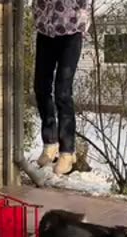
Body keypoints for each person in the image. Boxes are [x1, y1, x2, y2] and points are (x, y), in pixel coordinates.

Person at [32, 0, 90, 175]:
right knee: (41, 87)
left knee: (62, 92)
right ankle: (50, 142)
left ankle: (67, 151)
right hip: (45, 30)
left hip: (71, 30)